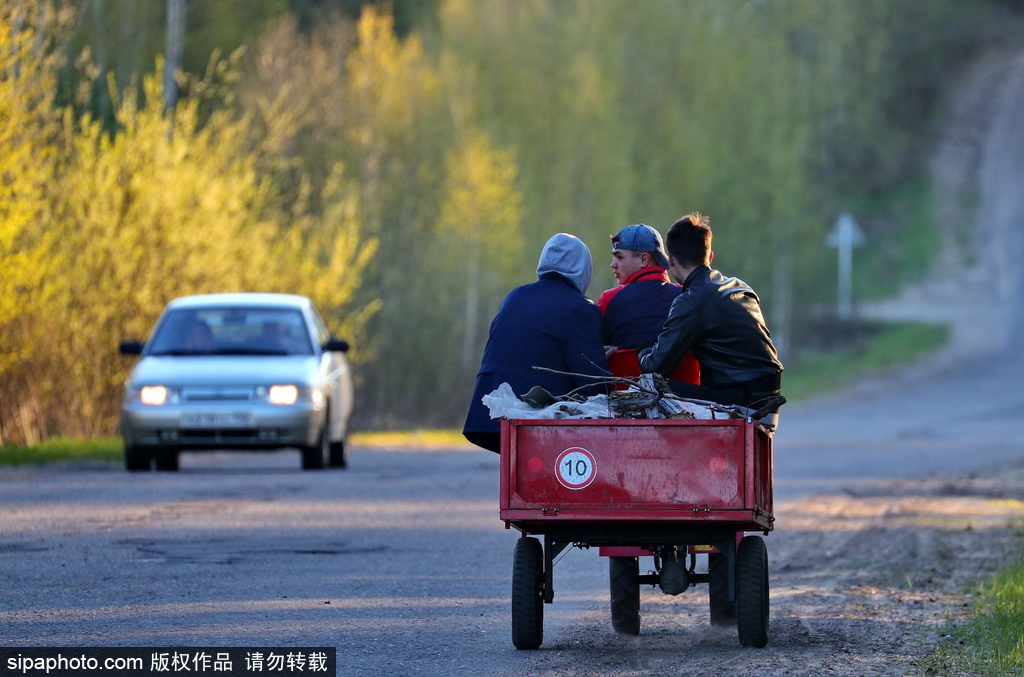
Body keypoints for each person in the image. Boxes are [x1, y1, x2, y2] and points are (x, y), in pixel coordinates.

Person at [463, 233, 611, 452]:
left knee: (516, 482)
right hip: (531, 416)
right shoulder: (581, 308)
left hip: (489, 409)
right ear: (583, 270)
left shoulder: (516, 295)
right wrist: (603, 362)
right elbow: (595, 384)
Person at [638, 213, 782, 410]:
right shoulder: (739, 286)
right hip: (770, 394)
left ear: (670, 260)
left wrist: (644, 348)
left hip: (741, 399)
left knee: (651, 387)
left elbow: (654, 367)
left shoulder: (690, 301)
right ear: (709, 257)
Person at [596, 224, 700, 385]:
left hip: (624, 397)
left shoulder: (609, 299)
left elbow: (596, 352)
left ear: (644, 259)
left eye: (619, 257)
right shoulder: (691, 295)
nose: (613, 264)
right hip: (688, 400)